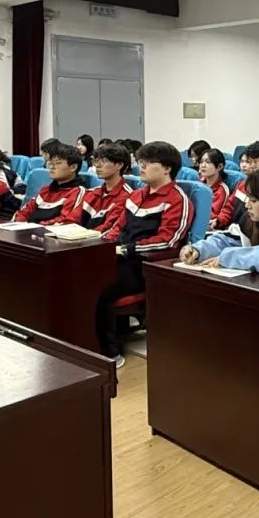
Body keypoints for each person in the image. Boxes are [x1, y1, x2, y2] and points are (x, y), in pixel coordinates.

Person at [99, 141, 193, 366]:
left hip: (144, 266)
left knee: (99, 288)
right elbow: (117, 229)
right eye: (141, 162)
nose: (141, 167)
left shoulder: (177, 199)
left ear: (167, 168)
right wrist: (102, 246)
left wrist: (127, 249)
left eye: (148, 163)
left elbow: (168, 241)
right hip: (119, 257)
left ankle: (109, 353)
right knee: (79, 274)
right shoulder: (135, 196)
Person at [69, 142, 133, 234]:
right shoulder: (91, 193)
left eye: (104, 161)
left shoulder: (127, 196)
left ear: (119, 165)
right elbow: (73, 219)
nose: (97, 165)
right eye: (96, 161)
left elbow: (107, 229)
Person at [14, 144, 86, 224]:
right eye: (50, 163)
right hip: (29, 229)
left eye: (57, 163)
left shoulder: (77, 192)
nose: (52, 167)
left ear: (73, 167)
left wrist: (37, 227)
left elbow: (66, 221)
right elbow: (24, 212)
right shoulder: (45, 189)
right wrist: (20, 224)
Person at [197, 148, 235, 230]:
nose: (203, 165)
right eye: (201, 162)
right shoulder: (198, 184)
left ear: (219, 167)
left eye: (207, 162)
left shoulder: (221, 190)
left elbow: (212, 216)